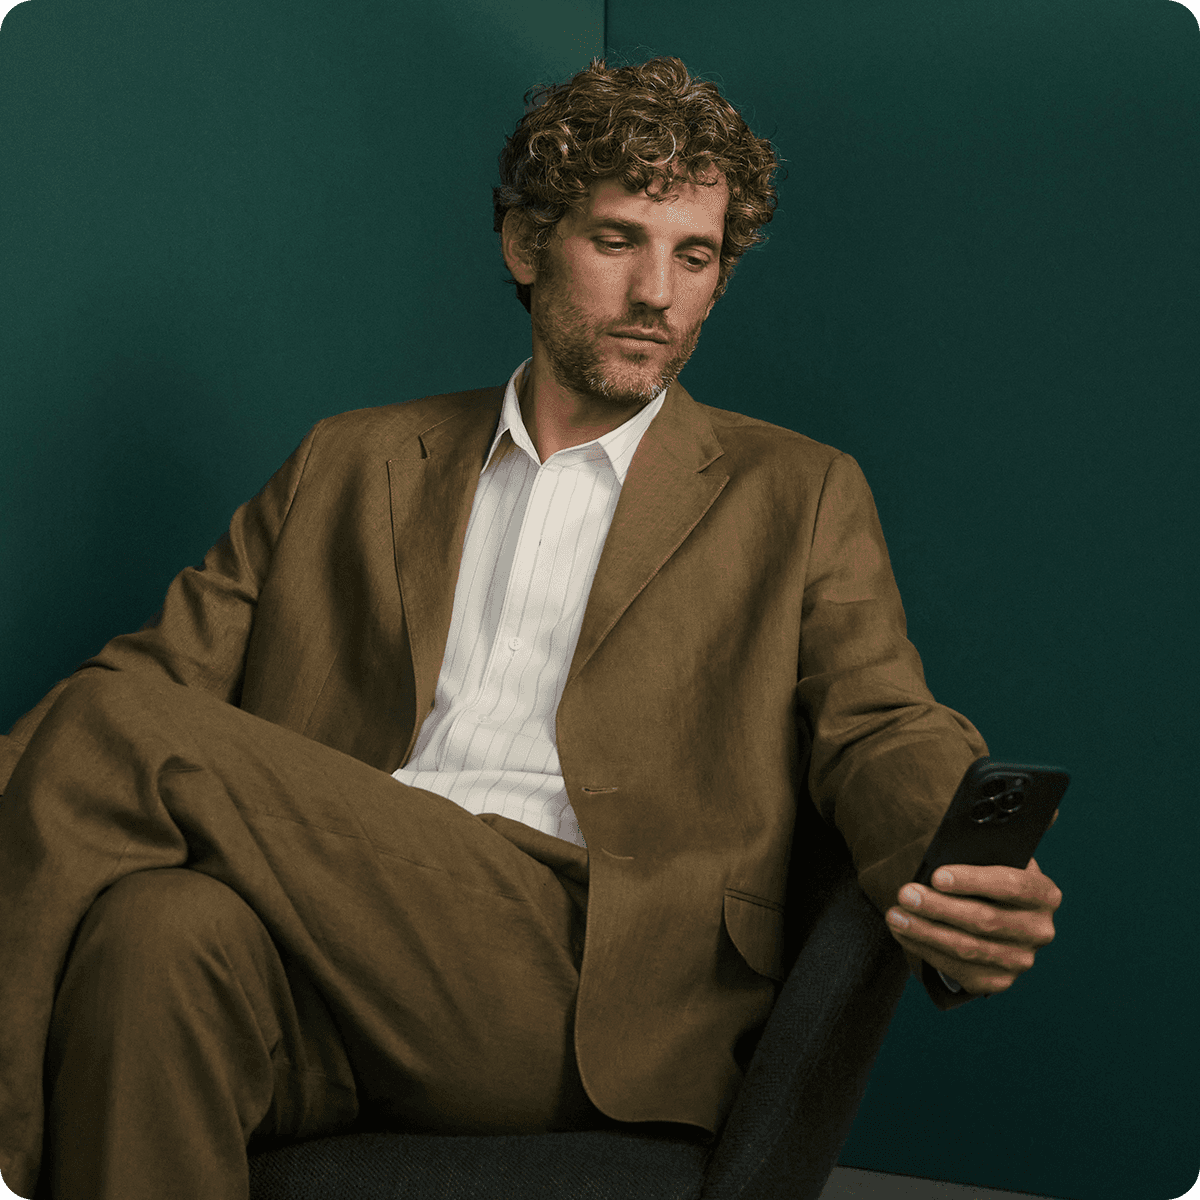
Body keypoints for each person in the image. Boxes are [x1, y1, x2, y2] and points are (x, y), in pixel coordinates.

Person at [0, 56, 1062, 1200]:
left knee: (111, 729)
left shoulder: (793, 493)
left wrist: (959, 866)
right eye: (618, 242)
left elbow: (882, 724)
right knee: (153, 937)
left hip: (587, 979)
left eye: (693, 256)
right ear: (525, 245)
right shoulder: (348, 464)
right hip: (324, 963)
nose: (658, 292)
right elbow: (158, 684)